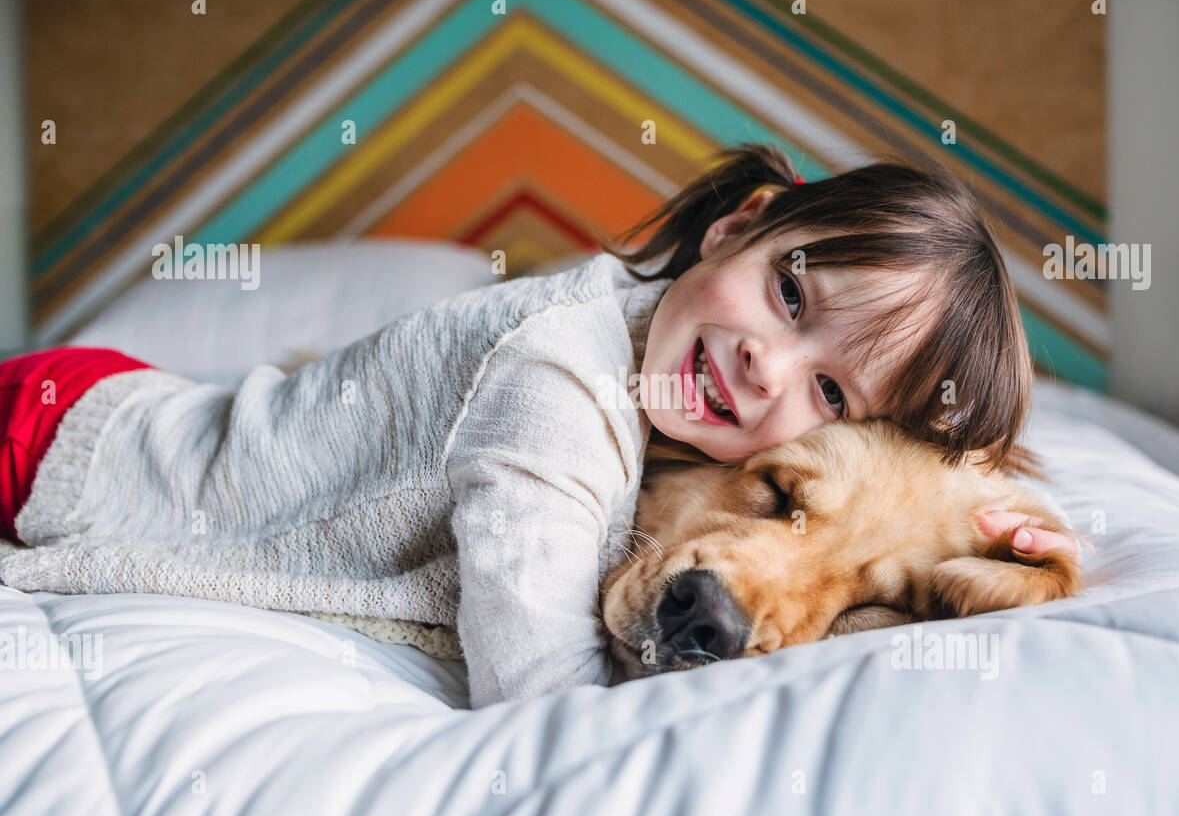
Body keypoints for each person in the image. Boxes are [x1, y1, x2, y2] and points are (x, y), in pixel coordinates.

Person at [0, 143, 1075, 708]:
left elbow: (884, 499)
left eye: (832, 395)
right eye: (791, 298)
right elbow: (538, 685)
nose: (766, 363)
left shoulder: (686, 403)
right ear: (735, 227)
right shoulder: (557, 380)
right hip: (75, 436)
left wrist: (1010, 558)